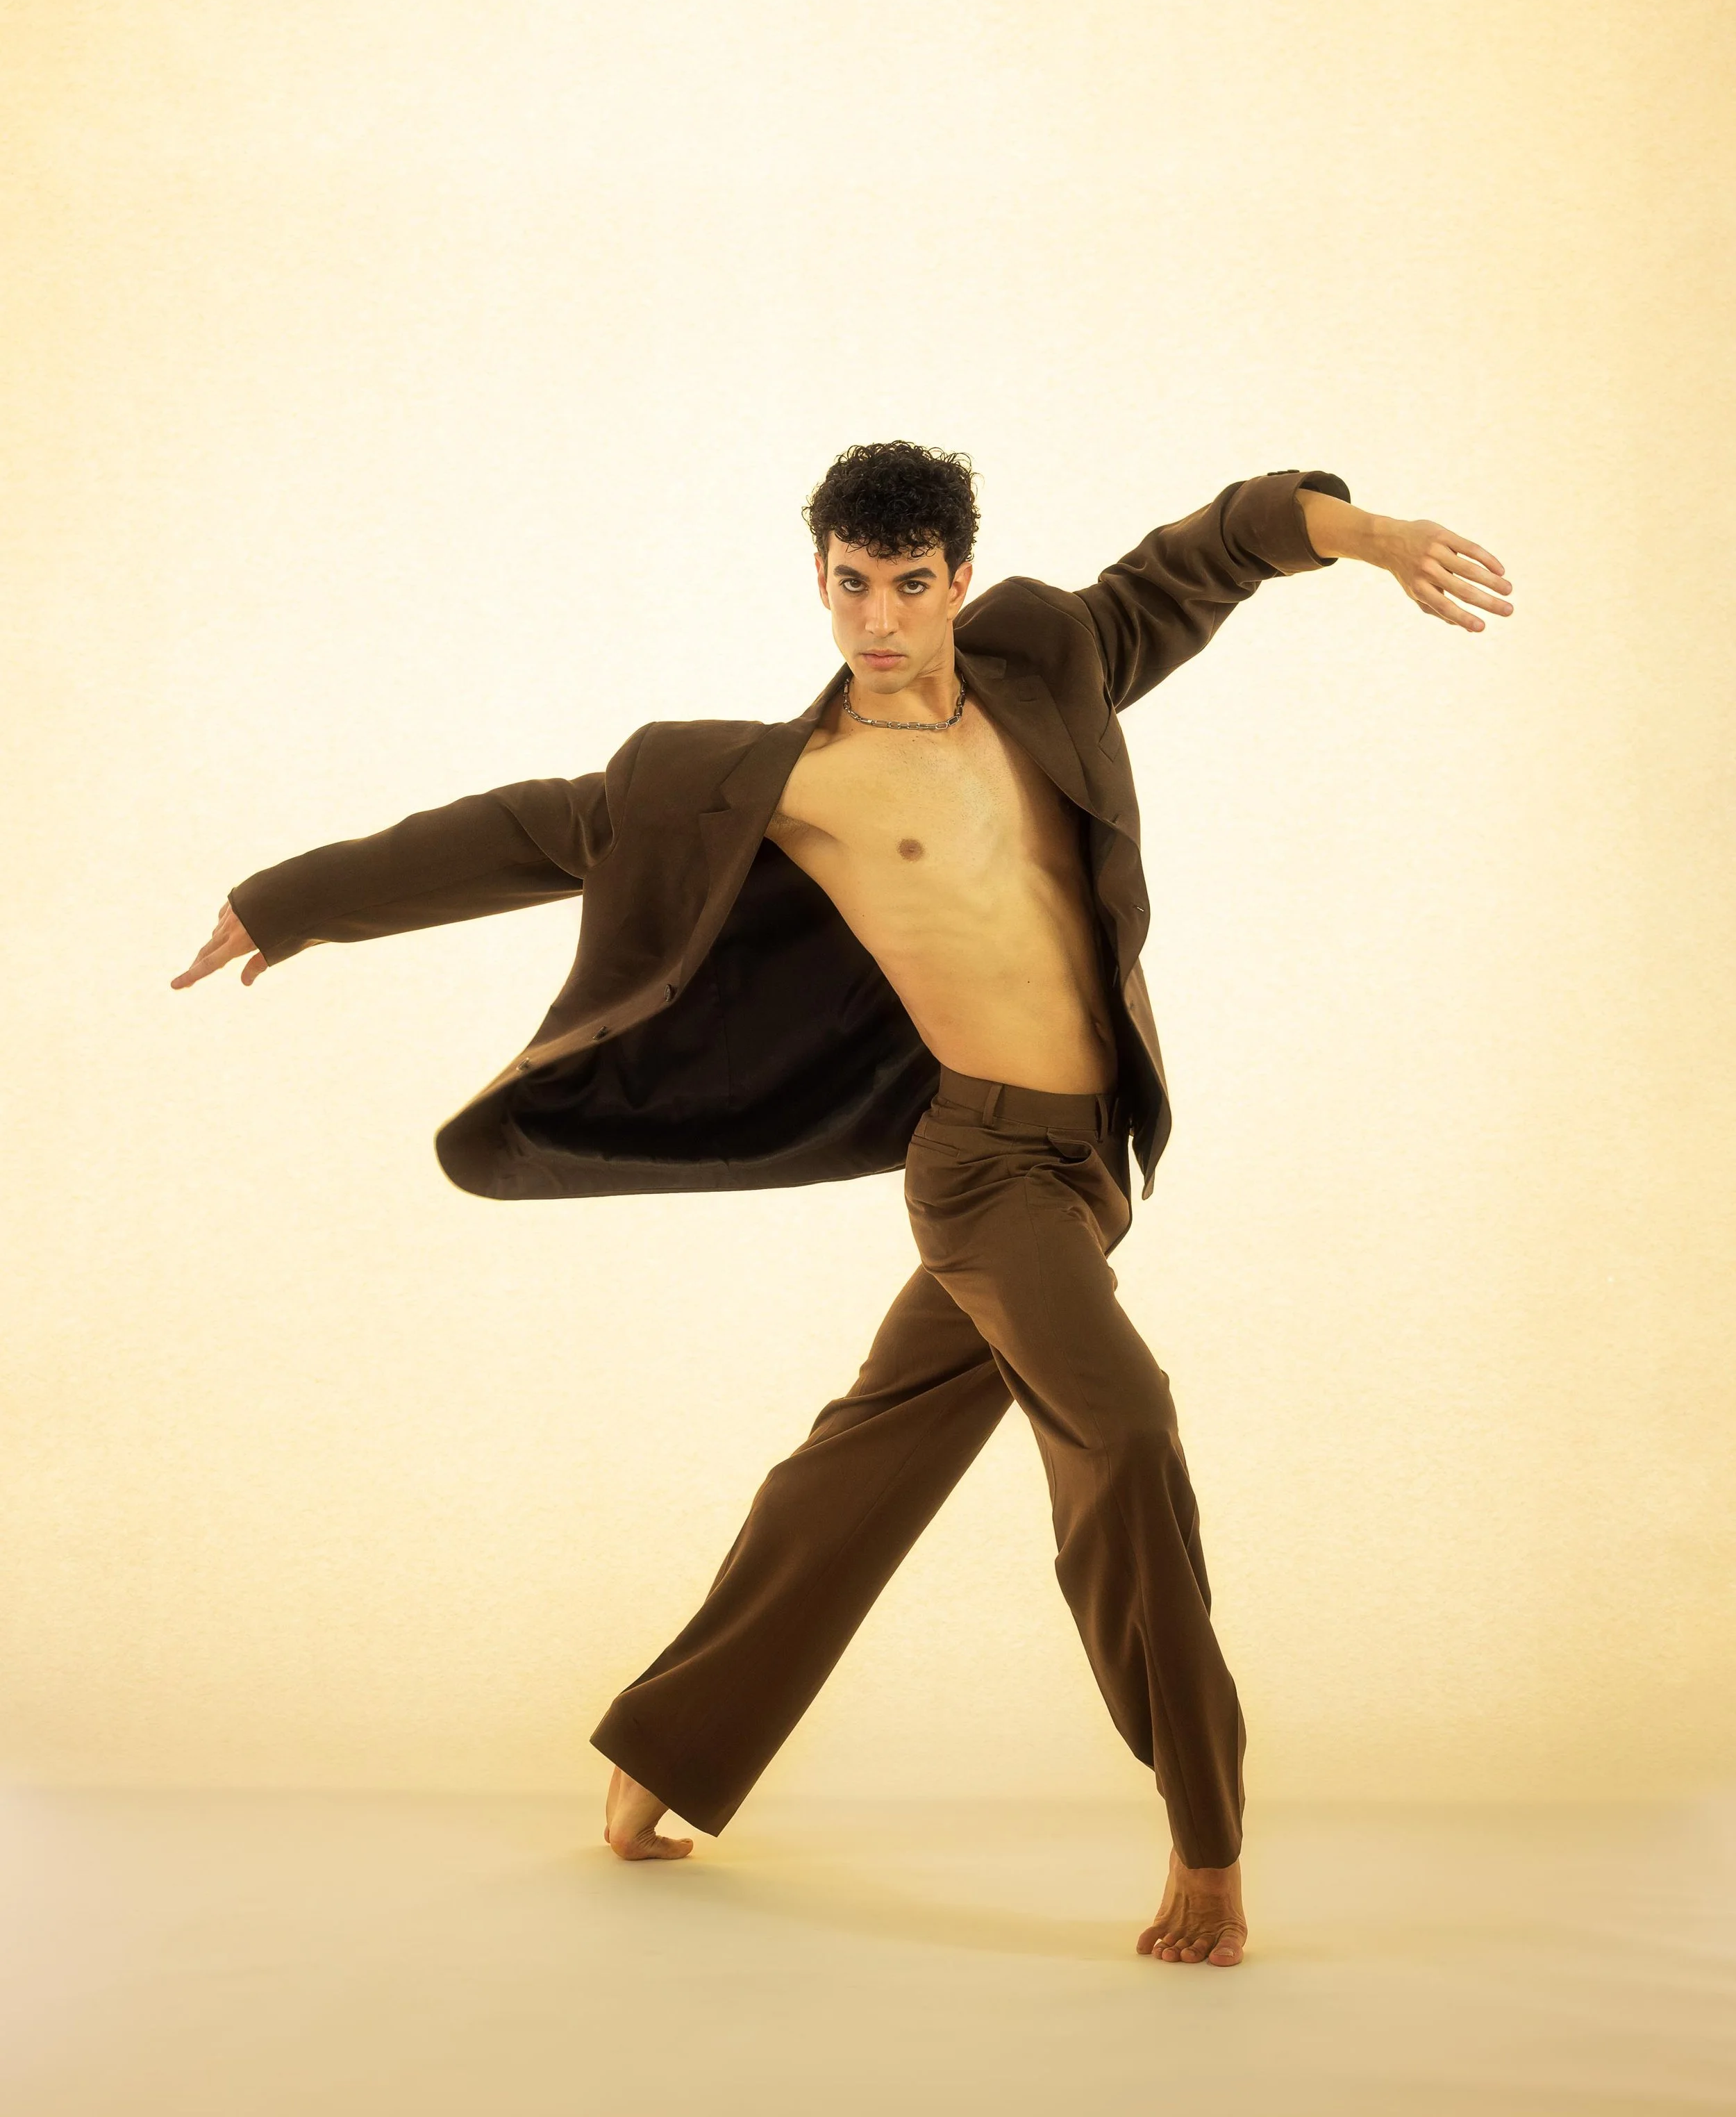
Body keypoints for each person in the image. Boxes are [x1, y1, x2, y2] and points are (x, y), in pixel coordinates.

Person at [173, 442, 1513, 1967]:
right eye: (850, 585)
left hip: (1090, 1159)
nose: (878, 619)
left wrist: (1373, 537)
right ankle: (1207, 1839)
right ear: (819, 580)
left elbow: (1204, 553)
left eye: (909, 585)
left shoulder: (1046, 661)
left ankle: (661, 1753)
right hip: (984, 1172)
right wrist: (287, 902)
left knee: (861, 1461)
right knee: (1126, 1430)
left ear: (958, 579)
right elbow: (526, 829)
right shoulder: (770, 781)